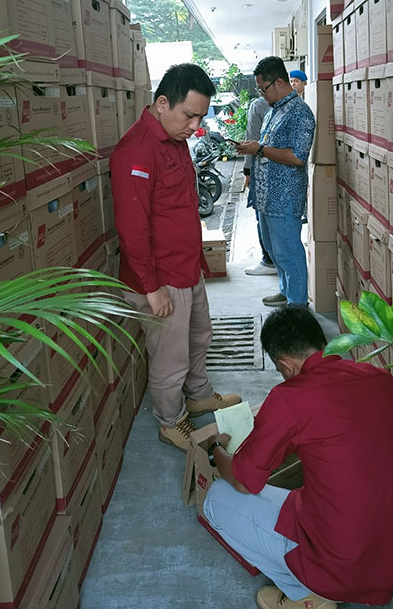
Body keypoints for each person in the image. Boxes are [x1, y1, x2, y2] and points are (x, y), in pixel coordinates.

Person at [201, 305, 393, 609]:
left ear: (285, 365)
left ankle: (307, 597)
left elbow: (245, 482)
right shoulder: (379, 377)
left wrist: (216, 450)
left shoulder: (290, 398)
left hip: (346, 564)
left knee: (216, 499)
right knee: (313, 493)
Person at [110, 63, 242, 452]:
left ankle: (199, 395)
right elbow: (133, 229)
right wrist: (152, 290)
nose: (196, 125)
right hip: (160, 279)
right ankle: (171, 421)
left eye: (201, 116)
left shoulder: (176, 141)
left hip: (186, 268)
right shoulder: (135, 151)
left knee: (200, 336)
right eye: (190, 115)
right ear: (163, 103)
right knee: (170, 358)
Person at [235, 57, 315, 307]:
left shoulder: (300, 113)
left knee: (289, 251)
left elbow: (297, 157)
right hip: (267, 195)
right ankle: (285, 290)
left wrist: (258, 149)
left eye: (263, 88)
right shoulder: (274, 110)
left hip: (285, 197)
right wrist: (254, 149)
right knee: (274, 249)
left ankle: (298, 305)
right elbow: (266, 147)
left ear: (279, 82)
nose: (261, 94)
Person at [242, 94, 275, 276]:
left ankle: (268, 260)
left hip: (262, 172)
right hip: (282, 174)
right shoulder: (296, 105)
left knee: (262, 218)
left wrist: (248, 171)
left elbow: (252, 138)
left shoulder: (259, 105)